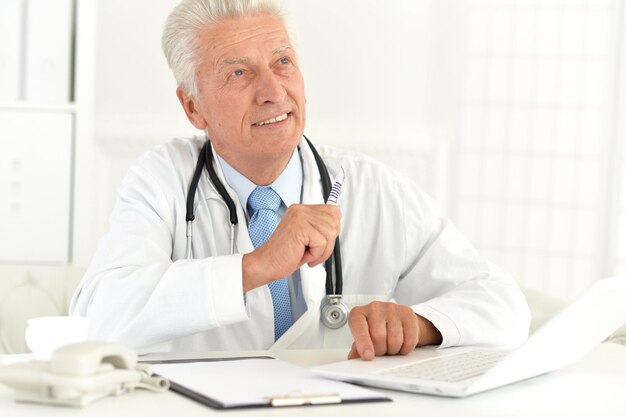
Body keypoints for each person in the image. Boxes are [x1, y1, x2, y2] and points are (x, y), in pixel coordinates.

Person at [70, 0, 530, 359]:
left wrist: (419, 324)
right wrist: (257, 266)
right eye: (238, 72)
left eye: (283, 62)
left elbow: (502, 304)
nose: (273, 92)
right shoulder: (162, 181)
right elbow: (97, 318)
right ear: (193, 107)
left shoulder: (369, 186)